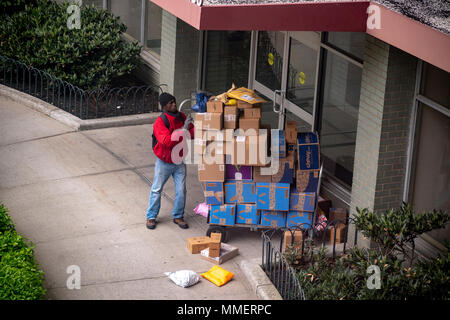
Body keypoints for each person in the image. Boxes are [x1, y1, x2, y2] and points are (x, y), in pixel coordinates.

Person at [146, 92, 194, 230]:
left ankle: (178, 216)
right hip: (164, 162)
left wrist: (187, 130)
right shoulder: (160, 122)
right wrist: (183, 131)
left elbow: (192, 133)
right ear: (164, 106)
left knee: (181, 190)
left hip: (179, 160)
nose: (174, 104)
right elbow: (166, 141)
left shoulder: (182, 117)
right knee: (157, 189)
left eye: (174, 101)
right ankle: (151, 217)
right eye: (170, 103)